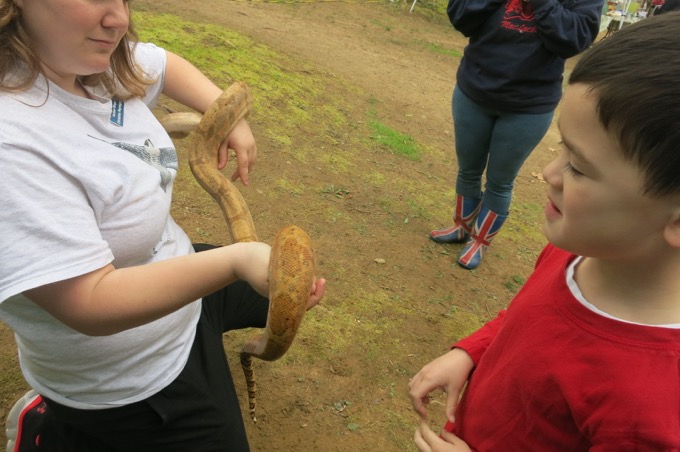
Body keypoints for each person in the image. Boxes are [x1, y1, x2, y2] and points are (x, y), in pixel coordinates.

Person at [0, 0, 326, 451]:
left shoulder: (95, 57)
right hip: (127, 380)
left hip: (178, 279)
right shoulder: (12, 143)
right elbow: (88, 303)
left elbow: (163, 64)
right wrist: (235, 261)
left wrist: (225, 115)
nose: (119, 19)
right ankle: (54, 424)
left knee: (296, 293)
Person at [410, 12, 680, 450]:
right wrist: (472, 352)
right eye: (561, 150)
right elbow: (524, 321)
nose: (548, 173)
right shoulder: (577, 253)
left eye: (578, 167)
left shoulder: (649, 408)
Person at [429, 0, 603, 269]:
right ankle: (461, 227)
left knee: (500, 181)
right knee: (468, 170)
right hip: (474, 90)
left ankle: (480, 240)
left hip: (528, 105)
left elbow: (576, 39)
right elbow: (460, 16)